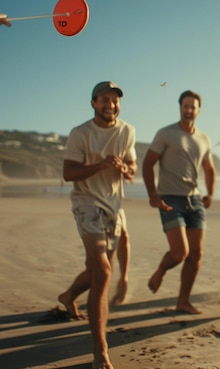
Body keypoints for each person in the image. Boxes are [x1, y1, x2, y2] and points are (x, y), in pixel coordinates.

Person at [60, 81, 136, 369]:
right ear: (93, 103)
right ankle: (100, 350)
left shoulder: (128, 131)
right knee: (103, 273)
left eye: (115, 100)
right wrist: (101, 165)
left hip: (114, 207)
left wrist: (123, 169)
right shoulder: (80, 134)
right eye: (104, 99)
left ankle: (68, 296)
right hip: (86, 203)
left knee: (96, 272)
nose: (110, 104)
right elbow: (69, 173)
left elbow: (132, 168)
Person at [143, 90, 216, 315]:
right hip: (169, 198)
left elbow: (209, 168)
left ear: (199, 110)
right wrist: (153, 195)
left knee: (196, 255)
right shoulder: (166, 134)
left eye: (193, 106)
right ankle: (161, 270)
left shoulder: (203, 138)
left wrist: (210, 193)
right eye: (185, 106)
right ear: (180, 107)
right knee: (179, 253)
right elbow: (147, 164)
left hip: (194, 199)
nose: (188, 110)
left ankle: (183, 301)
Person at [59, 209, 130, 317]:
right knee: (102, 267)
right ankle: (70, 296)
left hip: (112, 199)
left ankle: (123, 281)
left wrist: (124, 277)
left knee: (123, 235)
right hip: (95, 202)